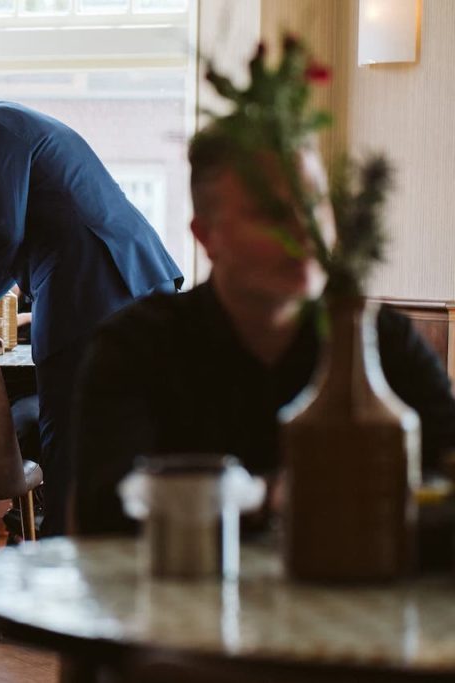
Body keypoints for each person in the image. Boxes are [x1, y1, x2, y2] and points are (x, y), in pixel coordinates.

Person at [72, 117, 455, 537]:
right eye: (272, 213)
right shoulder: (137, 346)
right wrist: (269, 497)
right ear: (206, 236)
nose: (304, 232)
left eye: (313, 206)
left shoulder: (379, 338)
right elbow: (107, 508)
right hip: (182, 596)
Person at [0, 64, 184, 538]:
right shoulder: (13, 119)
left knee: (68, 435)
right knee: (120, 429)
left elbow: (0, 236)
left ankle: (62, 561)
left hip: (90, 290)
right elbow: (37, 224)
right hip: (132, 277)